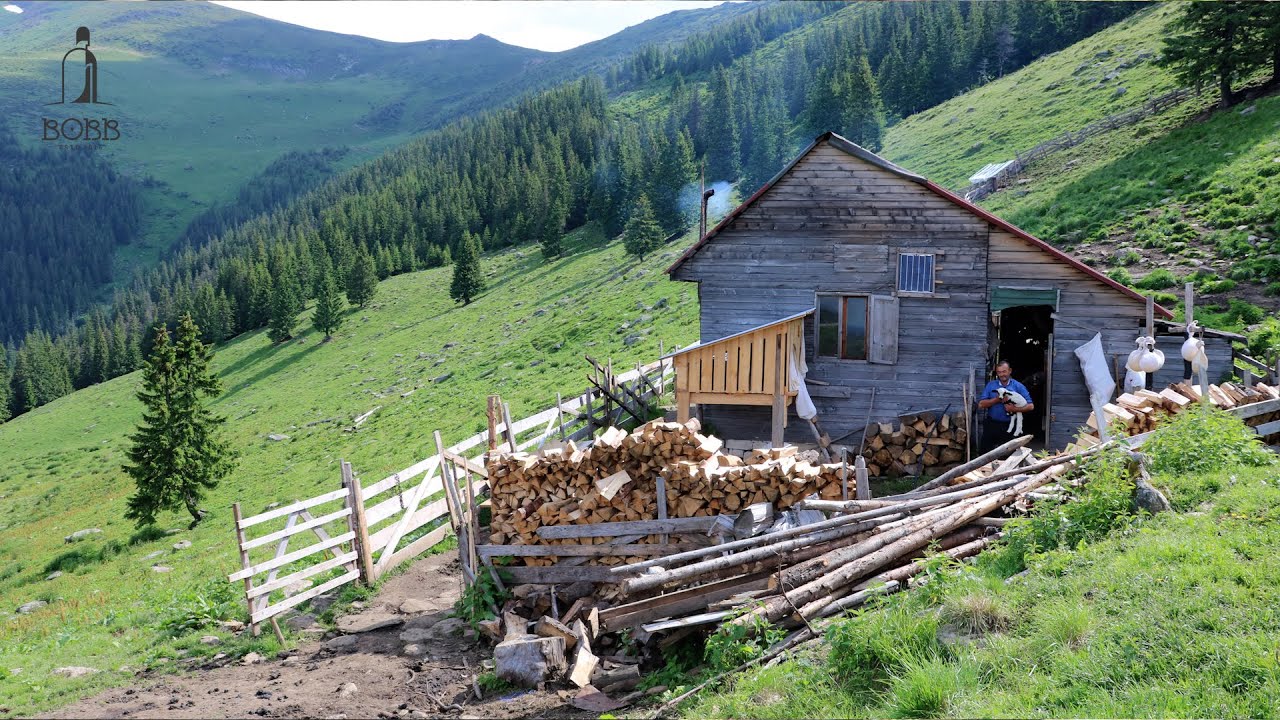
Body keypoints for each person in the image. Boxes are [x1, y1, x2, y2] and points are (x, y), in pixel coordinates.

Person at [976, 361, 1034, 453]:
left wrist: (1013, 409)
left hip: (1010, 426)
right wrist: (997, 400)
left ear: (1010, 371)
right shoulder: (991, 385)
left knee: (1009, 455)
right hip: (992, 424)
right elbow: (981, 404)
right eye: (999, 372)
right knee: (985, 453)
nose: (1002, 374)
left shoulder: (1018, 386)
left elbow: (1030, 406)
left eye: (1004, 371)